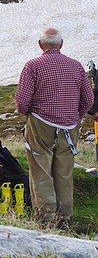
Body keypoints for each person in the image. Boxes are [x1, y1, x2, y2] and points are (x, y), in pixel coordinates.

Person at [15, 27, 93, 228]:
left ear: (41, 44)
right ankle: (64, 218)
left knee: (41, 170)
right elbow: (89, 99)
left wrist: (28, 113)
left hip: (41, 123)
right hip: (69, 125)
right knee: (64, 172)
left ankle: (47, 217)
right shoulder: (76, 67)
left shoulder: (33, 66)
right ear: (61, 43)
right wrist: (76, 116)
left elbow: (22, 102)